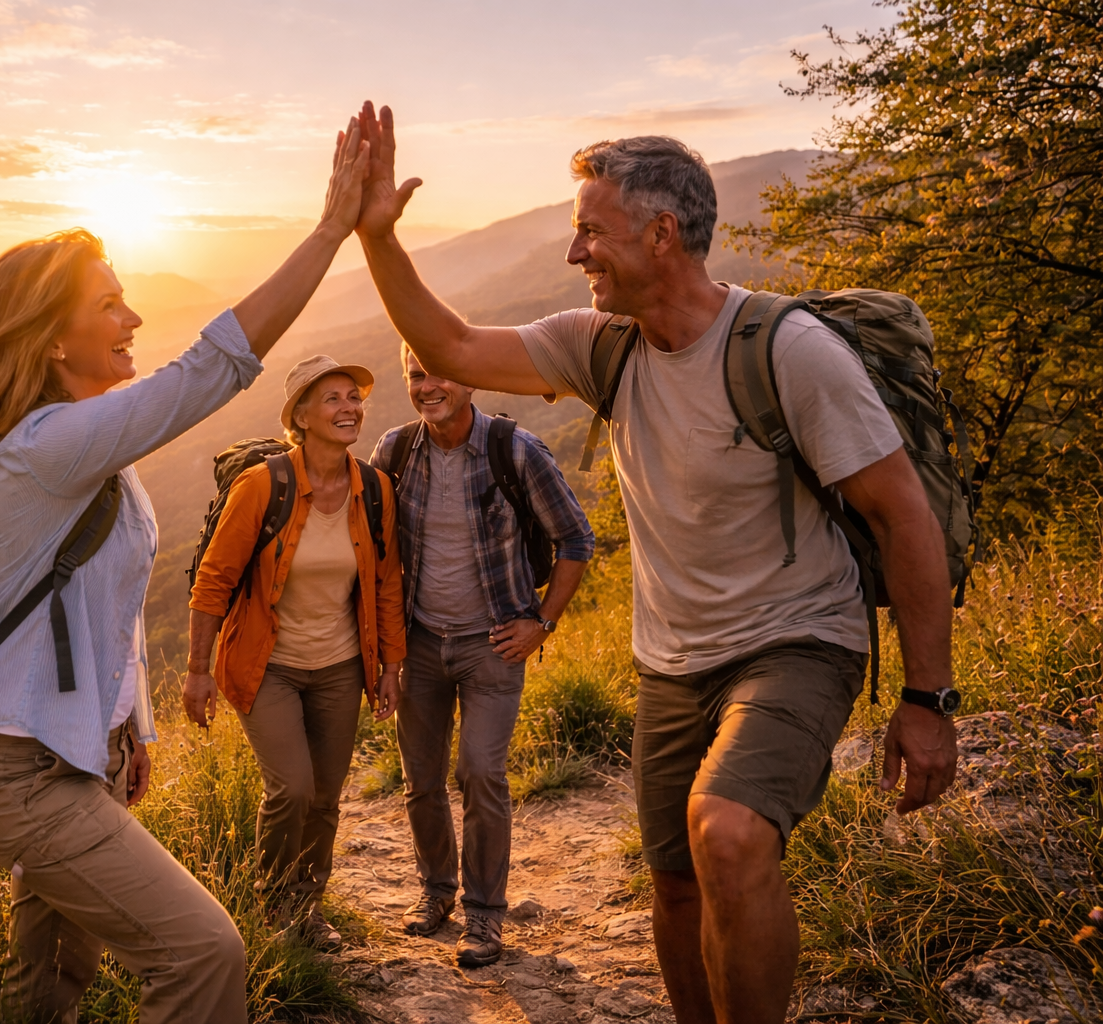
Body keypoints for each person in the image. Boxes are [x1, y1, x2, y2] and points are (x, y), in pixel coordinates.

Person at [353, 102, 959, 1024]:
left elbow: (903, 514)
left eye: (590, 232)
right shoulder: (603, 348)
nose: (573, 254)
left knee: (726, 834)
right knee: (674, 884)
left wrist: (927, 698)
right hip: (672, 662)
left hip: (797, 640)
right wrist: (378, 240)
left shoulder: (788, 352)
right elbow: (451, 348)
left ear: (662, 234)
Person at [0, 119, 371, 1024]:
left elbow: (105, 600)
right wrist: (329, 231)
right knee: (204, 954)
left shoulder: (84, 452)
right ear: (52, 341)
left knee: (47, 983)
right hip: (17, 770)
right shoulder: (50, 444)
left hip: (57, 758)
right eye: (110, 305)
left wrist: (127, 729)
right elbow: (208, 371)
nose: (133, 318)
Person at [370, 347, 592, 967]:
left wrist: (542, 623)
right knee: (420, 779)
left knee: (480, 773)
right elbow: (372, 550)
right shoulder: (393, 452)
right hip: (418, 643)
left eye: (439, 372)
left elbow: (575, 538)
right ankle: (435, 894)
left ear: (471, 376)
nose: (428, 385)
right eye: (415, 374)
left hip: (494, 642)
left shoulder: (514, 451)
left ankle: (485, 917)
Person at [183, 354, 405, 949]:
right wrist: (196, 670)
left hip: (339, 667)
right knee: (293, 789)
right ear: (300, 416)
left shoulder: (375, 489)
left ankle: (307, 911)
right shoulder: (264, 486)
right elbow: (214, 579)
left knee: (326, 798)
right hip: (268, 666)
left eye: (353, 397)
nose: (349, 407)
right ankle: (272, 906)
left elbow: (385, 582)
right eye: (332, 398)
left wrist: (390, 666)